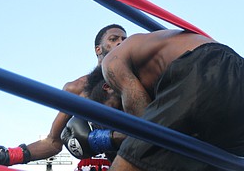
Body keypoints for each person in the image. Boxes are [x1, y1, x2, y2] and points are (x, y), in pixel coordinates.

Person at [0, 24, 127, 168]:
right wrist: (8, 156)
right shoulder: (78, 88)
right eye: (113, 39)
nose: (121, 43)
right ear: (98, 49)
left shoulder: (139, 80)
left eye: (124, 39)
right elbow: (53, 142)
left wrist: (105, 138)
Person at [96, 29, 244, 170]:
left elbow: (145, 129)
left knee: (131, 160)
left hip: (206, 68)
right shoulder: (151, 52)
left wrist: (107, 139)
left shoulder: (111, 61)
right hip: (232, 72)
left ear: (107, 88)